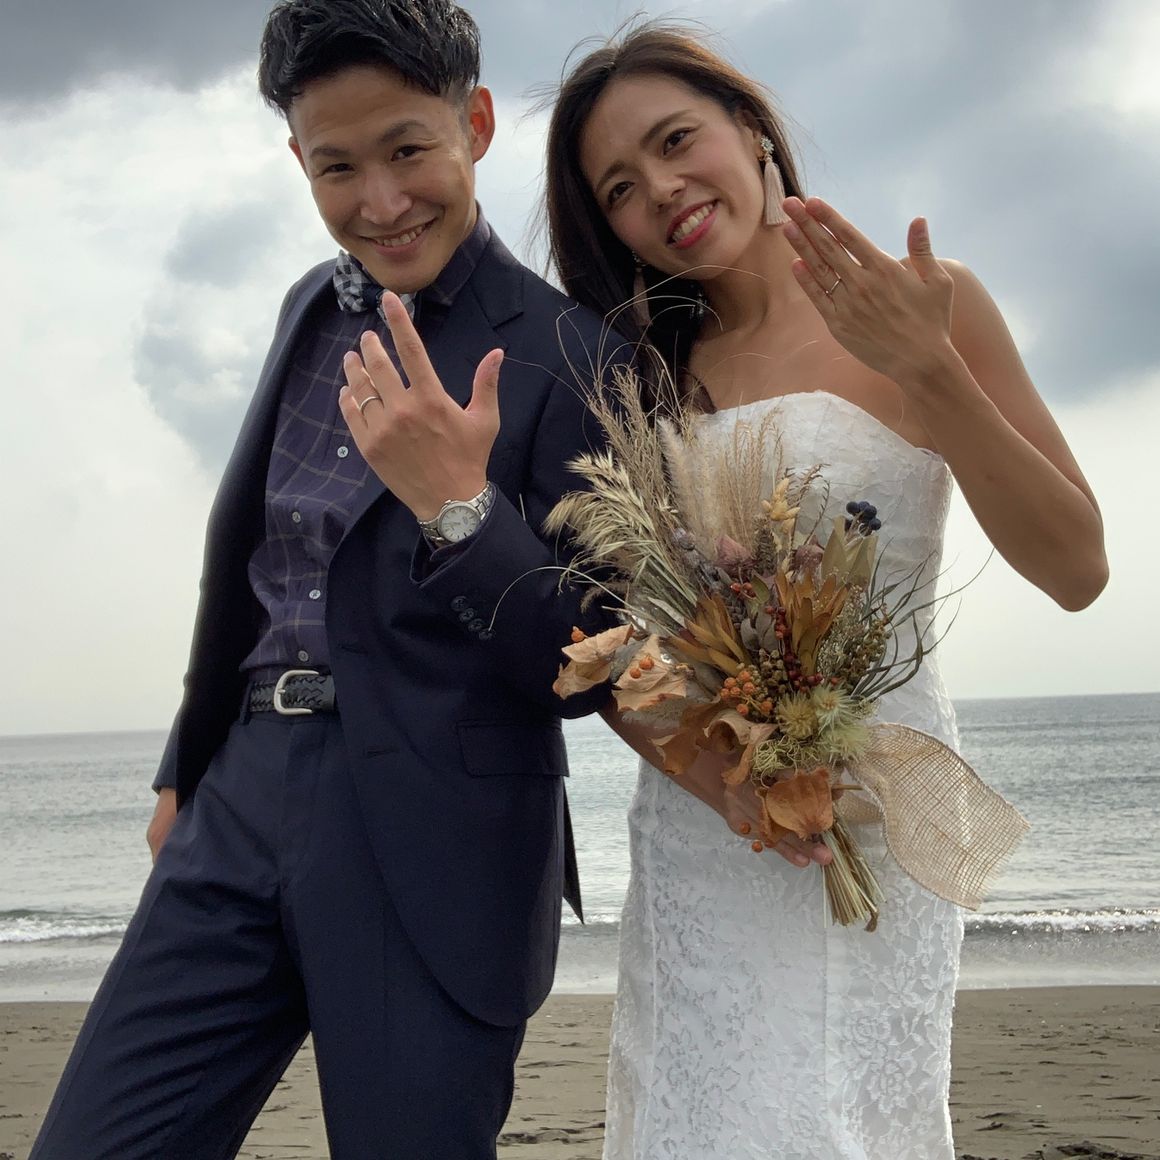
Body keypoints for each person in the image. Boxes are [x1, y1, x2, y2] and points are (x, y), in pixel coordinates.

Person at [29, 3, 628, 1157]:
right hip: (239, 798)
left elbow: (597, 657)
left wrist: (460, 507)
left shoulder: (571, 352)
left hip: (438, 832)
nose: (380, 200)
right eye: (337, 166)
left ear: (476, 124)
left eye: (407, 149)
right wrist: (188, 766)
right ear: (297, 159)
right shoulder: (309, 303)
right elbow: (247, 567)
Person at [543, 22, 1108, 1159]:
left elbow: (1075, 568)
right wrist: (726, 774)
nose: (661, 190)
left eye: (675, 141)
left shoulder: (928, 301)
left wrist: (928, 369)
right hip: (711, 821)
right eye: (620, 188)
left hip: (879, 797)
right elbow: (628, 635)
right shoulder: (644, 372)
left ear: (751, 129)